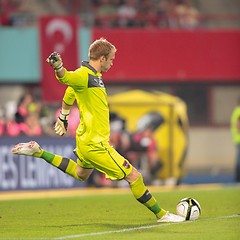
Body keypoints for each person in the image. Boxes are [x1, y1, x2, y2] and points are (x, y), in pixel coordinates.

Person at [11, 37, 184, 223]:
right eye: (111, 59)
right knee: (134, 176)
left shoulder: (93, 78)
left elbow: (70, 92)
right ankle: (162, 215)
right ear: (102, 58)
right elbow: (66, 78)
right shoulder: (83, 75)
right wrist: (58, 67)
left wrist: (63, 116)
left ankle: (39, 152)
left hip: (86, 141)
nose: (112, 63)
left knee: (80, 174)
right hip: (96, 145)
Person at [230, 98, 240, 182]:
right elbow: (238, 124)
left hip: (236, 138)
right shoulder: (239, 111)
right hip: (239, 138)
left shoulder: (236, 111)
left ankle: (237, 178)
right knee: (239, 159)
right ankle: (237, 178)